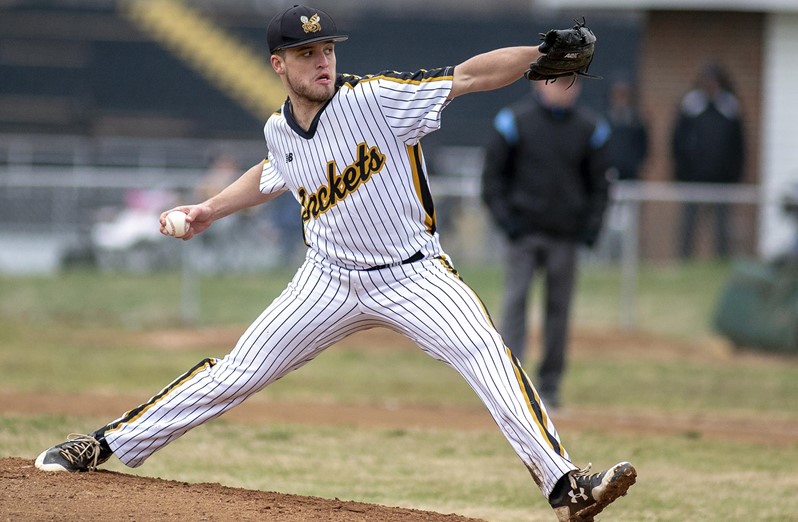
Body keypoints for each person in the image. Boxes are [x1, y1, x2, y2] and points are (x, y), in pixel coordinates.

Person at [34, 6, 635, 521]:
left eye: (326, 49)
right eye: (306, 52)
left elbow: (469, 76)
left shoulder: (375, 99)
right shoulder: (280, 130)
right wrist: (209, 210)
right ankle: (103, 443)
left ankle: (565, 487)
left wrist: (538, 55)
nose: (322, 60)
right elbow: (272, 173)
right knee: (236, 372)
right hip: (326, 280)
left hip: (413, 272)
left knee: (484, 352)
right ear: (280, 66)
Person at [481, 79, 611, 410]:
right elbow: (492, 179)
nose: (564, 88)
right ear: (540, 83)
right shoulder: (513, 122)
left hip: (565, 237)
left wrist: (590, 228)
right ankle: (509, 386)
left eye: (571, 81)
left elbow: (601, 185)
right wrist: (508, 223)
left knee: (558, 312)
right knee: (515, 303)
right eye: (557, 81)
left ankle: (550, 388)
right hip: (523, 234)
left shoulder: (591, 128)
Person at [671, 61, 745, 259]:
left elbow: (738, 148)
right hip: (693, 178)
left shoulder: (730, 109)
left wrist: (734, 175)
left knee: (722, 226)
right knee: (689, 223)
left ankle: (720, 260)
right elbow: (677, 143)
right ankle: (685, 260)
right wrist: (681, 172)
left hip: (722, 179)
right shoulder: (690, 107)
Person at [605, 78, 647, 182]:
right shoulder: (605, 120)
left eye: (623, 95)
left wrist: (638, 164)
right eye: (617, 95)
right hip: (610, 169)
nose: (620, 99)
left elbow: (643, 145)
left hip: (631, 171)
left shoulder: (636, 121)